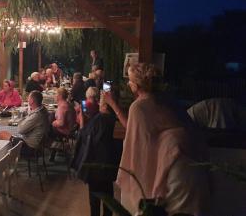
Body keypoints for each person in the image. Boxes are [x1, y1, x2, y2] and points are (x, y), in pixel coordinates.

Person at [104, 63, 209, 215]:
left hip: (174, 170)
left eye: (130, 80)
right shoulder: (168, 101)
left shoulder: (139, 107)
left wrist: (112, 104)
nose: (128, 83)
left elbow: (138, 141)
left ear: (137, 85)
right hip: (189, 163)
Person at [72, 93, 117, 216]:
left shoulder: (99, 120)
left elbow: (83, 138)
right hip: (109, 164)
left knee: (94, 200)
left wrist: (82, 119)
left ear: (103, 104)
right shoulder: (113, 119)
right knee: (109, 197)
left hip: (95, 166)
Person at [49, 88, 76, 162]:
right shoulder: (67, 104)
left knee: (46, 126)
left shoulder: (62, 107)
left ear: (60, 96)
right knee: (51, 116)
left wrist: (53, 123)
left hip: (65, 130)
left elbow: (61, 123)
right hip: (71, 128)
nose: (55, 96)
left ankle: (45, 146)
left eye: (56, 94)